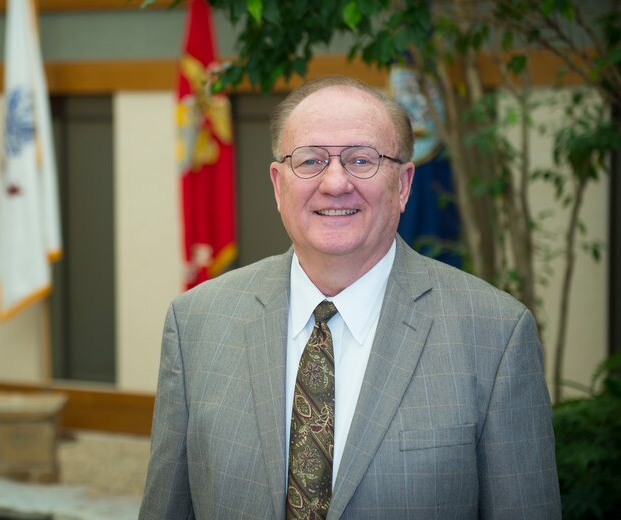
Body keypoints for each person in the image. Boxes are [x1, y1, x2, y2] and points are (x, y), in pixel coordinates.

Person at [139, 75, 561, 519]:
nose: (335, 183)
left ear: (402, 185)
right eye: (311, 161)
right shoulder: (196, 324)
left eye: (362, 160)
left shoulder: (495, 335)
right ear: (278, 185)